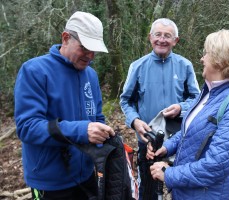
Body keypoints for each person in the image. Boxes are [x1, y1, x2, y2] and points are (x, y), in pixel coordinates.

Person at [14, 11, 115, 200]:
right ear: (66, 37)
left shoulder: (90, 75)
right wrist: (82, 130)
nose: (90, 56)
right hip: (50, 181)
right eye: (85, 48)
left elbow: (96, 116)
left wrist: (105, 138)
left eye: (95, 50)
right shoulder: (35, 70)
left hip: (86, 175)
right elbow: (27, 127)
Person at [147, 29, 229, 200]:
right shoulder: (208, 91)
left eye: (206, 53)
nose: (202, 58)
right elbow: (190, 132)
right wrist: (166, 147)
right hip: (185, 191)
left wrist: (169, 174)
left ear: (222, 60)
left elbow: (215, 166)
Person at [120, 18, 200, 199]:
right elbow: (126, 101)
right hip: (148, 142)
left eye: (167, 36)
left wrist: (181, 107)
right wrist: (134, 121)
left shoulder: (185, 65)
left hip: (179, 141)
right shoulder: (138, 66)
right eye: (158, 35)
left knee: (180, 189)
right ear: (150, 37)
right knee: (148, 190)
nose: (162, 40)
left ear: (175, 40)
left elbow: (196, 99)